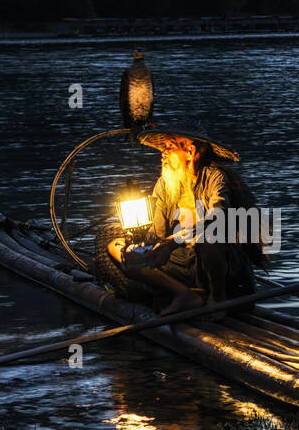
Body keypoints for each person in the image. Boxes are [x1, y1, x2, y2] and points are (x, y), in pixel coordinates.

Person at [105, 120, 266, 316]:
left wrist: (173, 242)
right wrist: (143, 249)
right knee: (116, 247)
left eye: (170, 146)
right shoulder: (164, 184)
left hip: (218, 263)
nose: (163, 153)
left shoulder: (215, 178)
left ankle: (217, 298)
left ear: (190, 152)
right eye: (163, 147)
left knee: (209, 237)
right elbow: (156, 233)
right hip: (179, 264)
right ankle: (183, 294)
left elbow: (219, 218)